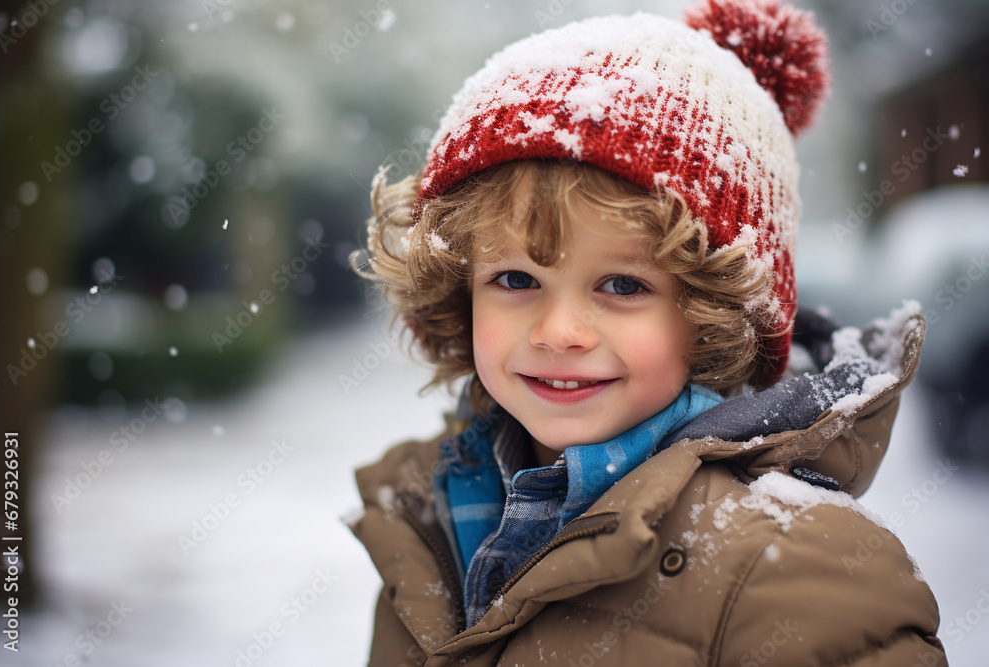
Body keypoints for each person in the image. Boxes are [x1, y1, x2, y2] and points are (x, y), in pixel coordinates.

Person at [347, 1, 948, 664]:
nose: (559, 331)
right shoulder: (430, 523)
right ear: (458, 291)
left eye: (624, 285)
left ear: (712, 313)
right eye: (517, 279)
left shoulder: (799, 567)